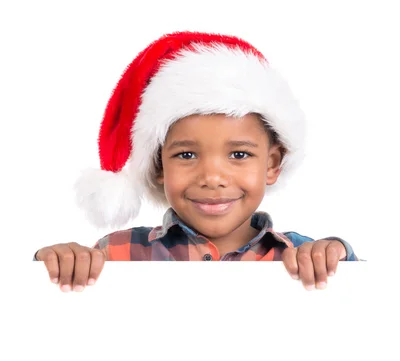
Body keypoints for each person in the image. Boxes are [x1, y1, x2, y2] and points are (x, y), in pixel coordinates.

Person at [33, 31, 360, 292]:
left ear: (272, 164)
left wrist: (337, 255)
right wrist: (59, 263)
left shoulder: (302, 258)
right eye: (186, 155)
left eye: (239, 154)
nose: (213, 177)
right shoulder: (116, 254)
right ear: (159, 166)